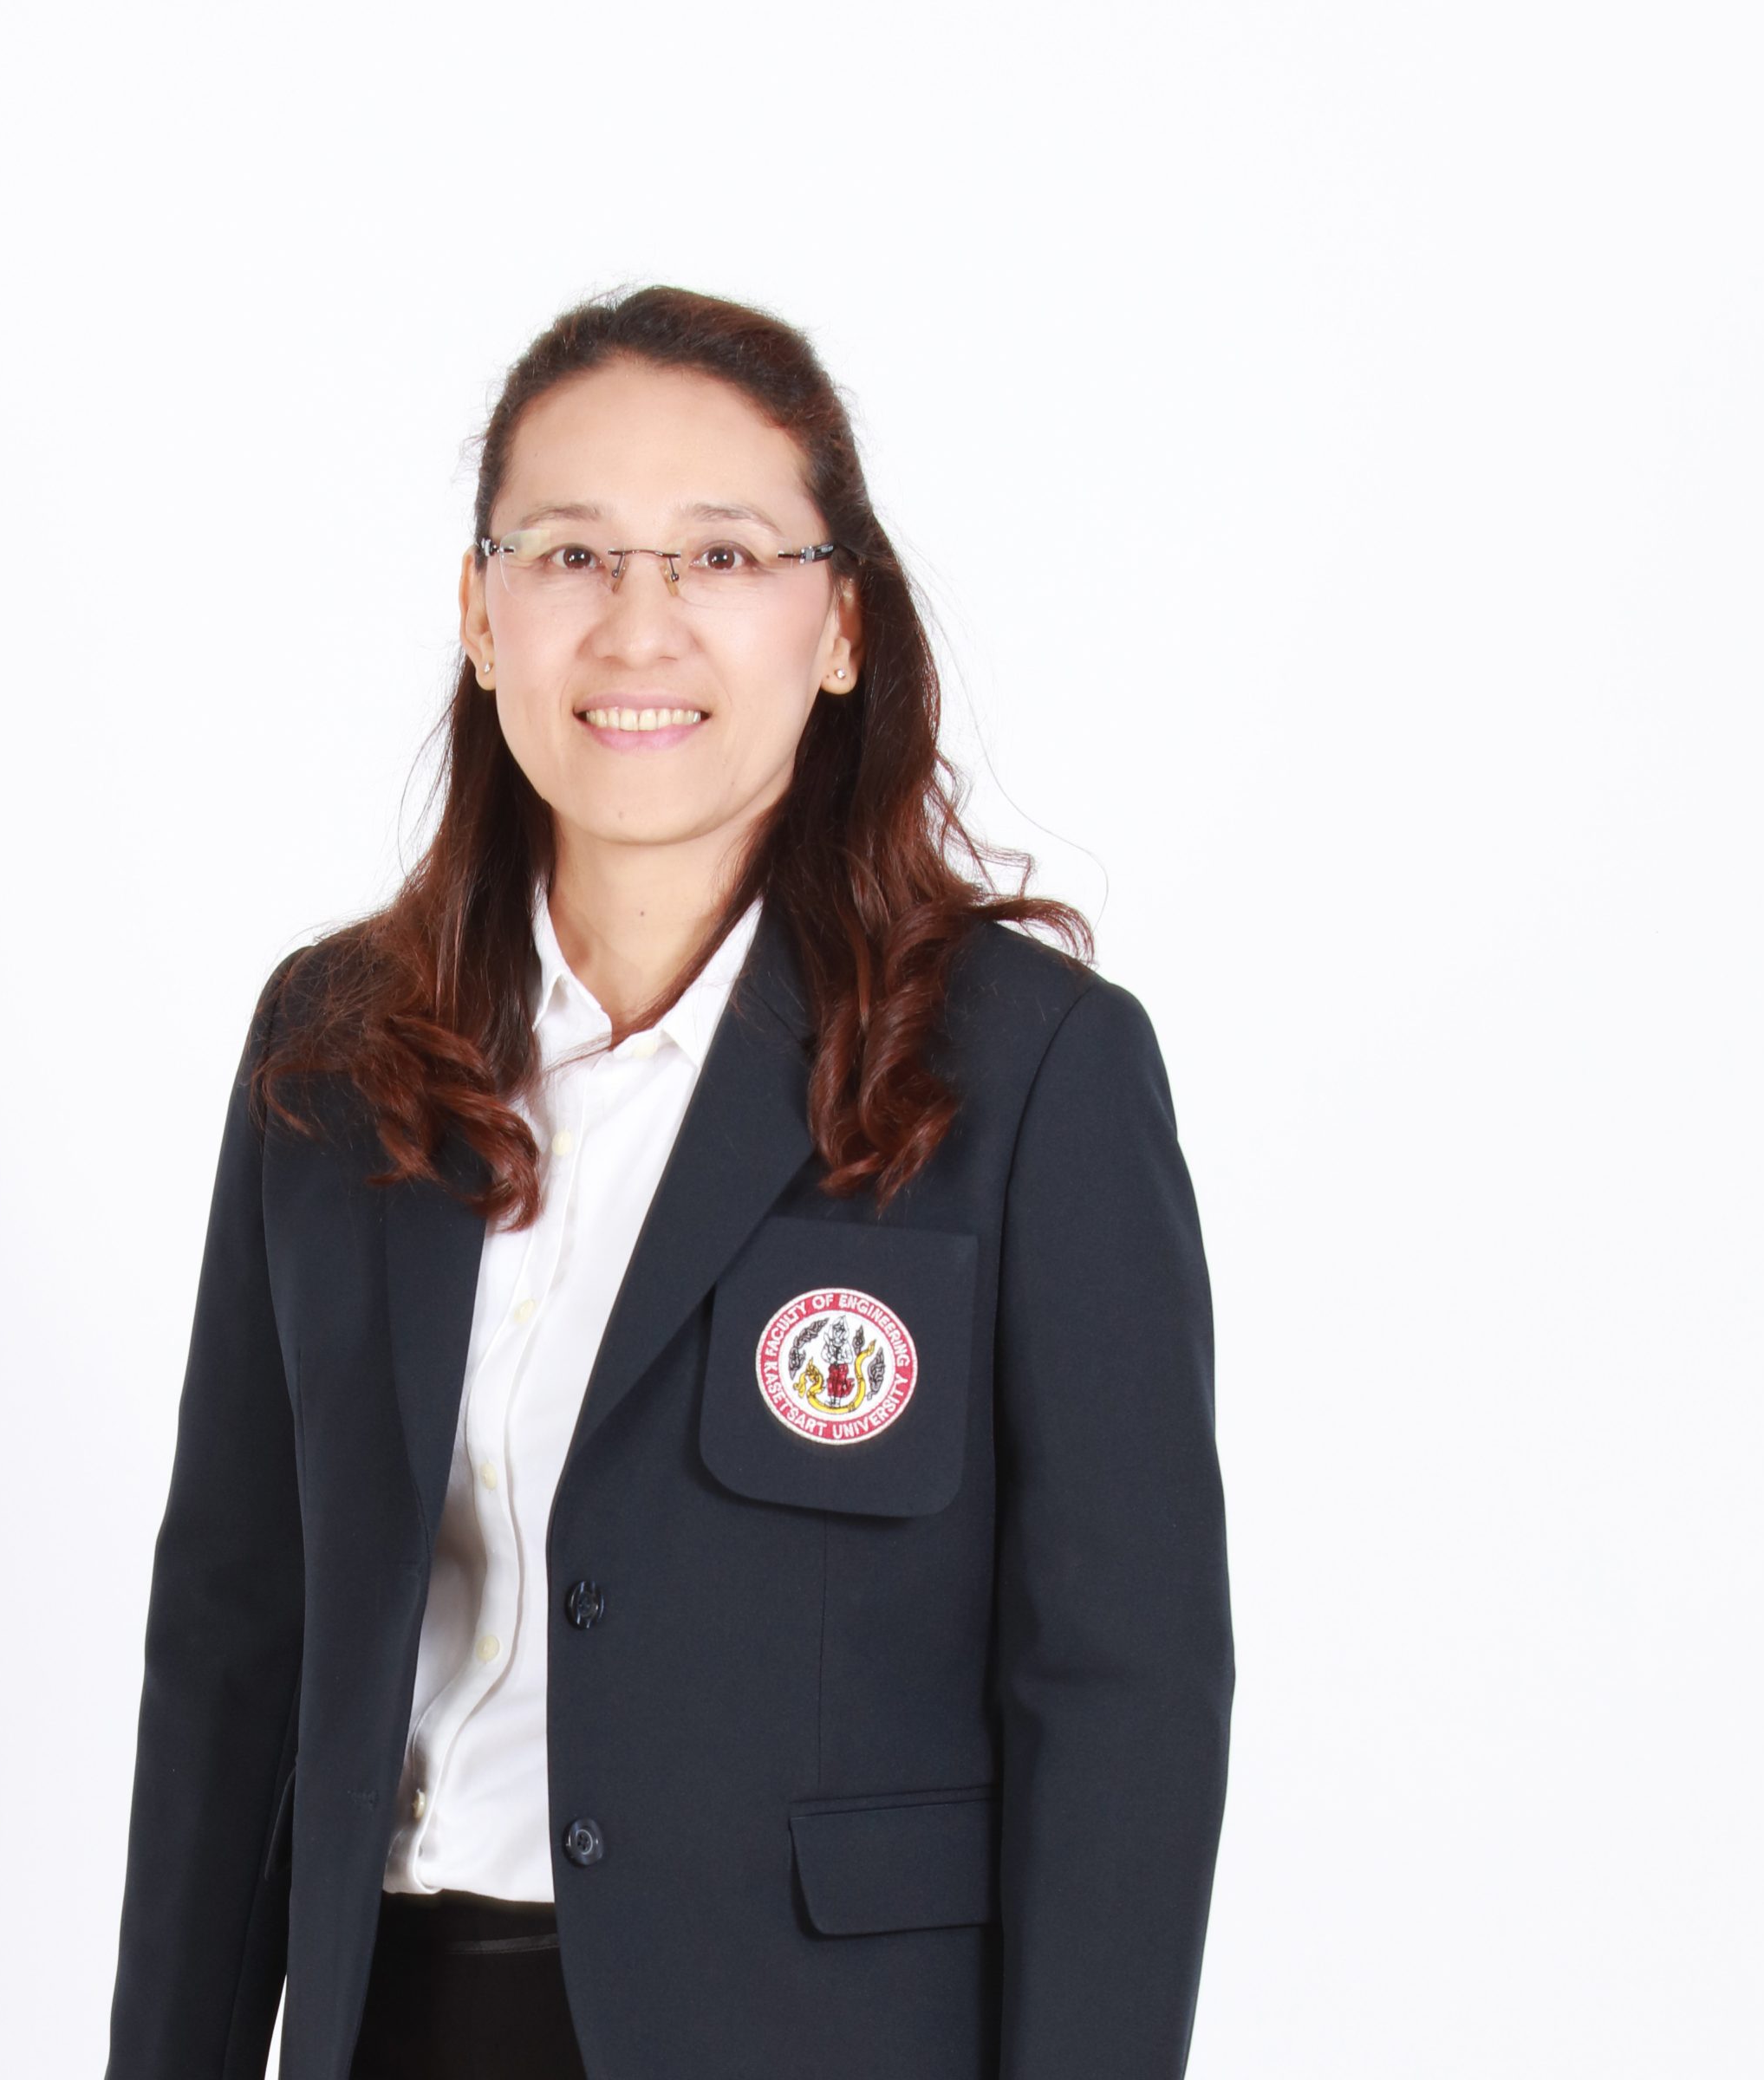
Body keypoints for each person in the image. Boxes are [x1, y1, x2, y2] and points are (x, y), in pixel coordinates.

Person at [103, 283, 1234, 2080]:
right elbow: (234, 1638)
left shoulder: (1027, 1072)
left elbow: (1122, 1692)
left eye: (721, 556)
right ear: (479, 616)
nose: (639, 626)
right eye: (570, 555)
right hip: (400, 2020)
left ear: (839, 623)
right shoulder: (333, 1050)